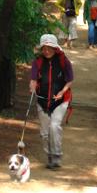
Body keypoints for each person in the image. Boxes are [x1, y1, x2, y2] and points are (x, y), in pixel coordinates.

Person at [29, 34, 73, 169]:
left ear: (55, 48)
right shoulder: (37, 62)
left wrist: (62, 91)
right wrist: (32, 88)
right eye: (44, 48)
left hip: (60, 100)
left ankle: (56, 156)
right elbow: (33, 79)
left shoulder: (63, 61)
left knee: (54, 126)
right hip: (42, 101)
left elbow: (70, 80)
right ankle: (50, 156)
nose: (46, 51)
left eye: (49, 48)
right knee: (44, 133)